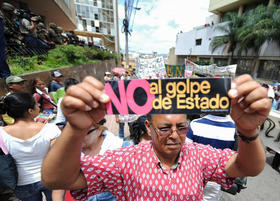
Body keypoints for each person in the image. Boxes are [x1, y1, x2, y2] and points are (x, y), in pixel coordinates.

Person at [42, 74, 270, 200]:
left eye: (181, 127)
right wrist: (74, 130)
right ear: (149, 127)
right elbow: (55, 180)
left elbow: (247, 168)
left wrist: (249, 131)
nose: (174, 136)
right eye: (164, 128)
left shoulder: (199, 155)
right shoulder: (125, 159)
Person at [0, 92, 61, 201]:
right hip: (50, 177)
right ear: (30, 111)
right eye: (37, 104)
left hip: (21, 182)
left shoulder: (1, 133)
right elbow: (59, 155)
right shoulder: (50, 129)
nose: (39, 106)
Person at [186, 114, 236, 200]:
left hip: (194, 175)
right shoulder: (234, 129)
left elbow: (185, 153)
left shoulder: (195, 124)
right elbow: (234, 157)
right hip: (217, 179)